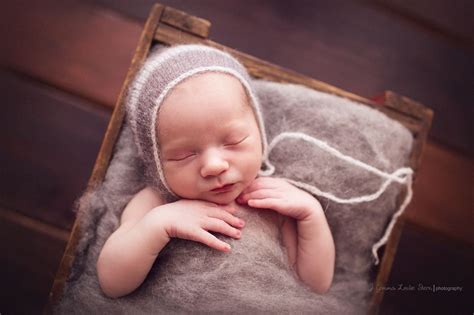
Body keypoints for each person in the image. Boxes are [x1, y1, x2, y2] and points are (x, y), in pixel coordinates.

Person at [96, 44, 335, 299]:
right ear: (157, 164)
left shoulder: (272, 202)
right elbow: (112, 284)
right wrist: (157, 226)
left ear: (259, 134)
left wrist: (312, 216)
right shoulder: (156, 203)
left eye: (234, 141)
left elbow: (315, 285)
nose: (214, 166)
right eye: (184, 155)